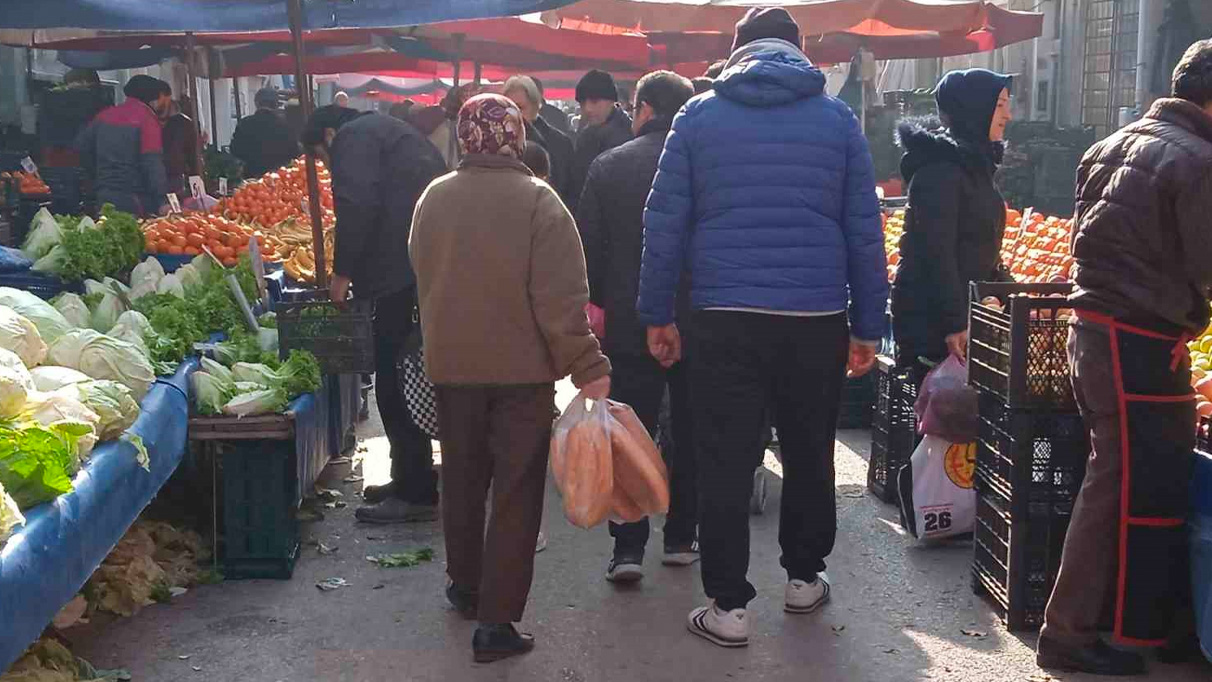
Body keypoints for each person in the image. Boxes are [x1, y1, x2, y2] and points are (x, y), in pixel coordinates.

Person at [636, 7, 886, 648]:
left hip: (722, 316)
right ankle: (804, 577)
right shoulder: (837, 120)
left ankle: (729, 607)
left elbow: (663, 224)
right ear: (800, 52)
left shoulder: (697, 116)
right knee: (808, 448)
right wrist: (867, 325)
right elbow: (864, 226)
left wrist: (658, 314)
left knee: (725, 454)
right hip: (816, 317)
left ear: (736, 49)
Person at [409, 93, 611, 663]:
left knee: (464, 482)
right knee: (517, 492)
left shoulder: (434, 198)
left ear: (465, 138)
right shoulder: (540, 202)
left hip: (452, 369)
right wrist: (588, 366)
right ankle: (495, 622)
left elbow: (422, 271)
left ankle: (465, 585)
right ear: (515, 137)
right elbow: (561, 299)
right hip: (521, 376)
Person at [1036, 39, 1212, 677]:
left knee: (1117, 481)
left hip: (1095, 331)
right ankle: (1081, 634)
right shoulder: (1196, 162)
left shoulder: (1112, 143)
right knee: (1127, 490)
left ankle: (1129, 625)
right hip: (1140, 343)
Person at [577, 70, 699, 583]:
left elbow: (588, 250)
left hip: (628, 323)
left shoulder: (608, 165)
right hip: (698, 321)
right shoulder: (703, 164)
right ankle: (681, 536)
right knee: (692, 430)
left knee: (629, 432)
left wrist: (599, 306)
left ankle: (627, 548)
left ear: (644, 108)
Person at [301, 104, 448, 524]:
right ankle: (408, 477)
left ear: (328, 135)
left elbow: (357, 202)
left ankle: (416, 490)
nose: (325, 165)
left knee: (394, 379)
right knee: (403, 375)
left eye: (319, 157)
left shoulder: (353, 138)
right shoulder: (389, 129)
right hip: (416, 263)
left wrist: (342, 271)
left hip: (396, 273)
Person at [891, 69, 1014, 375]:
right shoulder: (940, 172)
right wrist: (954, 323)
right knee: (943, 414)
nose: (1008, 115)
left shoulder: (975, 166)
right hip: (934, 325)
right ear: (975, 109)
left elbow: (977, 246)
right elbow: (938, 254)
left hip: (964, 315)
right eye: (1000, 105)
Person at [76, 74, 173, 216]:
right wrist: (162, 200)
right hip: (135, 199)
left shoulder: (104, 115)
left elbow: (82, 148)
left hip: (104, 195)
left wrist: (96, 178)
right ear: (152, 98)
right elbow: (152, 163)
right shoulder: (147, 120)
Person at [568, 69, 632, 212]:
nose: (588, 108)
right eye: (583, 102)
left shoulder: (629, 133)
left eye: (595, 101)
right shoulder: (586, 135)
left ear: (611, 101)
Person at [504, 75, 574, 202]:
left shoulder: (560, 144)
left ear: (535, 105)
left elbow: (568, 193)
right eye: (509, 108)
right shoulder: (497, 142)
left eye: (520, 108)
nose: (514, 115)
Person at [230, 88, 298, 180]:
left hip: (252, 179)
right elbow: (294, 152)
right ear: (276, 105)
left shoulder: (245, 123)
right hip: (280, 179)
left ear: (256, 103)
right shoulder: (285, 125)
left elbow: (235, 149)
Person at [162, 96, 200, 199]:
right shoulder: (187, 123)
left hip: (165, 172)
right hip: (177, 172)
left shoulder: (162, 124)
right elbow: (193, 156)